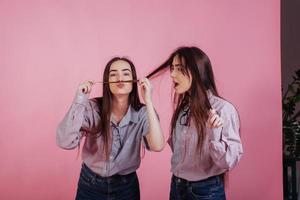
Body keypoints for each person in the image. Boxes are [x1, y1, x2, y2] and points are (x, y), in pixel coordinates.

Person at [57, 57, 164, 200]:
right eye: (113, 74)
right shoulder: (91, 108)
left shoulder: (144, 113)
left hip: (126, 188)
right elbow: (64, 141)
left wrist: (148, 101)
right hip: (90, 185)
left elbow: (157, 146)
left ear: (134, 80)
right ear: (107, 81)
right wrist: (80, 99)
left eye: (126, 73)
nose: (120, 78)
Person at [147, 46, 243, 200]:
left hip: (206, 191)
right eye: (172, 68)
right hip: (177, 187)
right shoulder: (183, 110)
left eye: (179, 69)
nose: (172, 74)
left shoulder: (223, 109)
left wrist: (215, 135)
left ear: (197, 71)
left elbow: (228, 162)